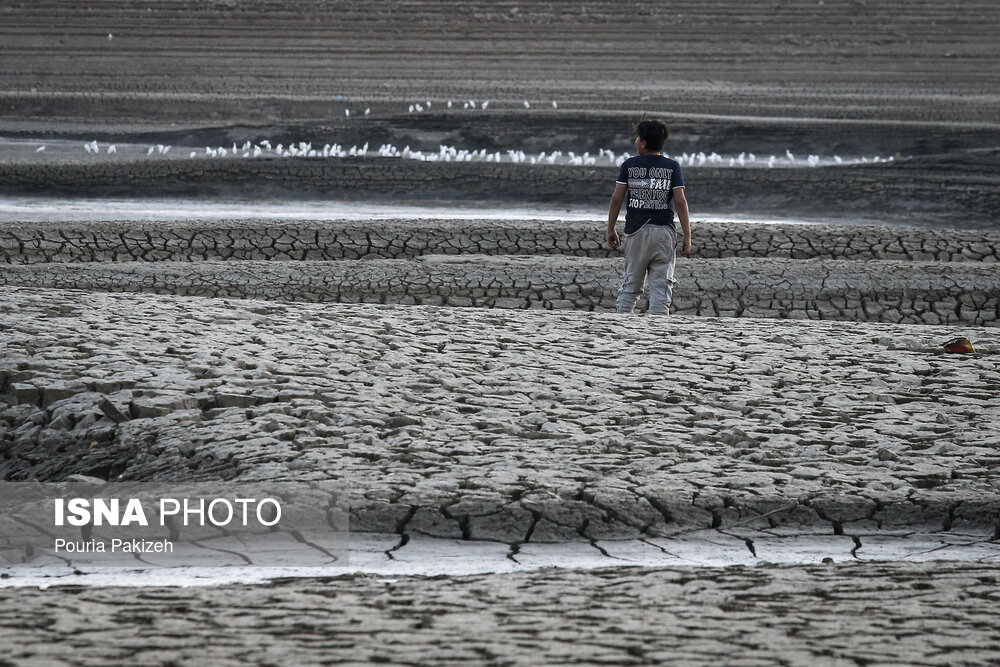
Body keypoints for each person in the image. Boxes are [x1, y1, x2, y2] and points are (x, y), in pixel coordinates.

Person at [606, 117, 691, 315]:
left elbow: (617, 198)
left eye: (637, 138)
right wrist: (687, 234)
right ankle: (657, 331)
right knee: (661, 288)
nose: (635, 141)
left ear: (643, 142)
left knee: (631, 284)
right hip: (664, 233)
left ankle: (622, 324)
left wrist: (611, 229)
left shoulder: (629, 165)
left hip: (636, 232)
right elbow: (680, 201)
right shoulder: (672, 167)